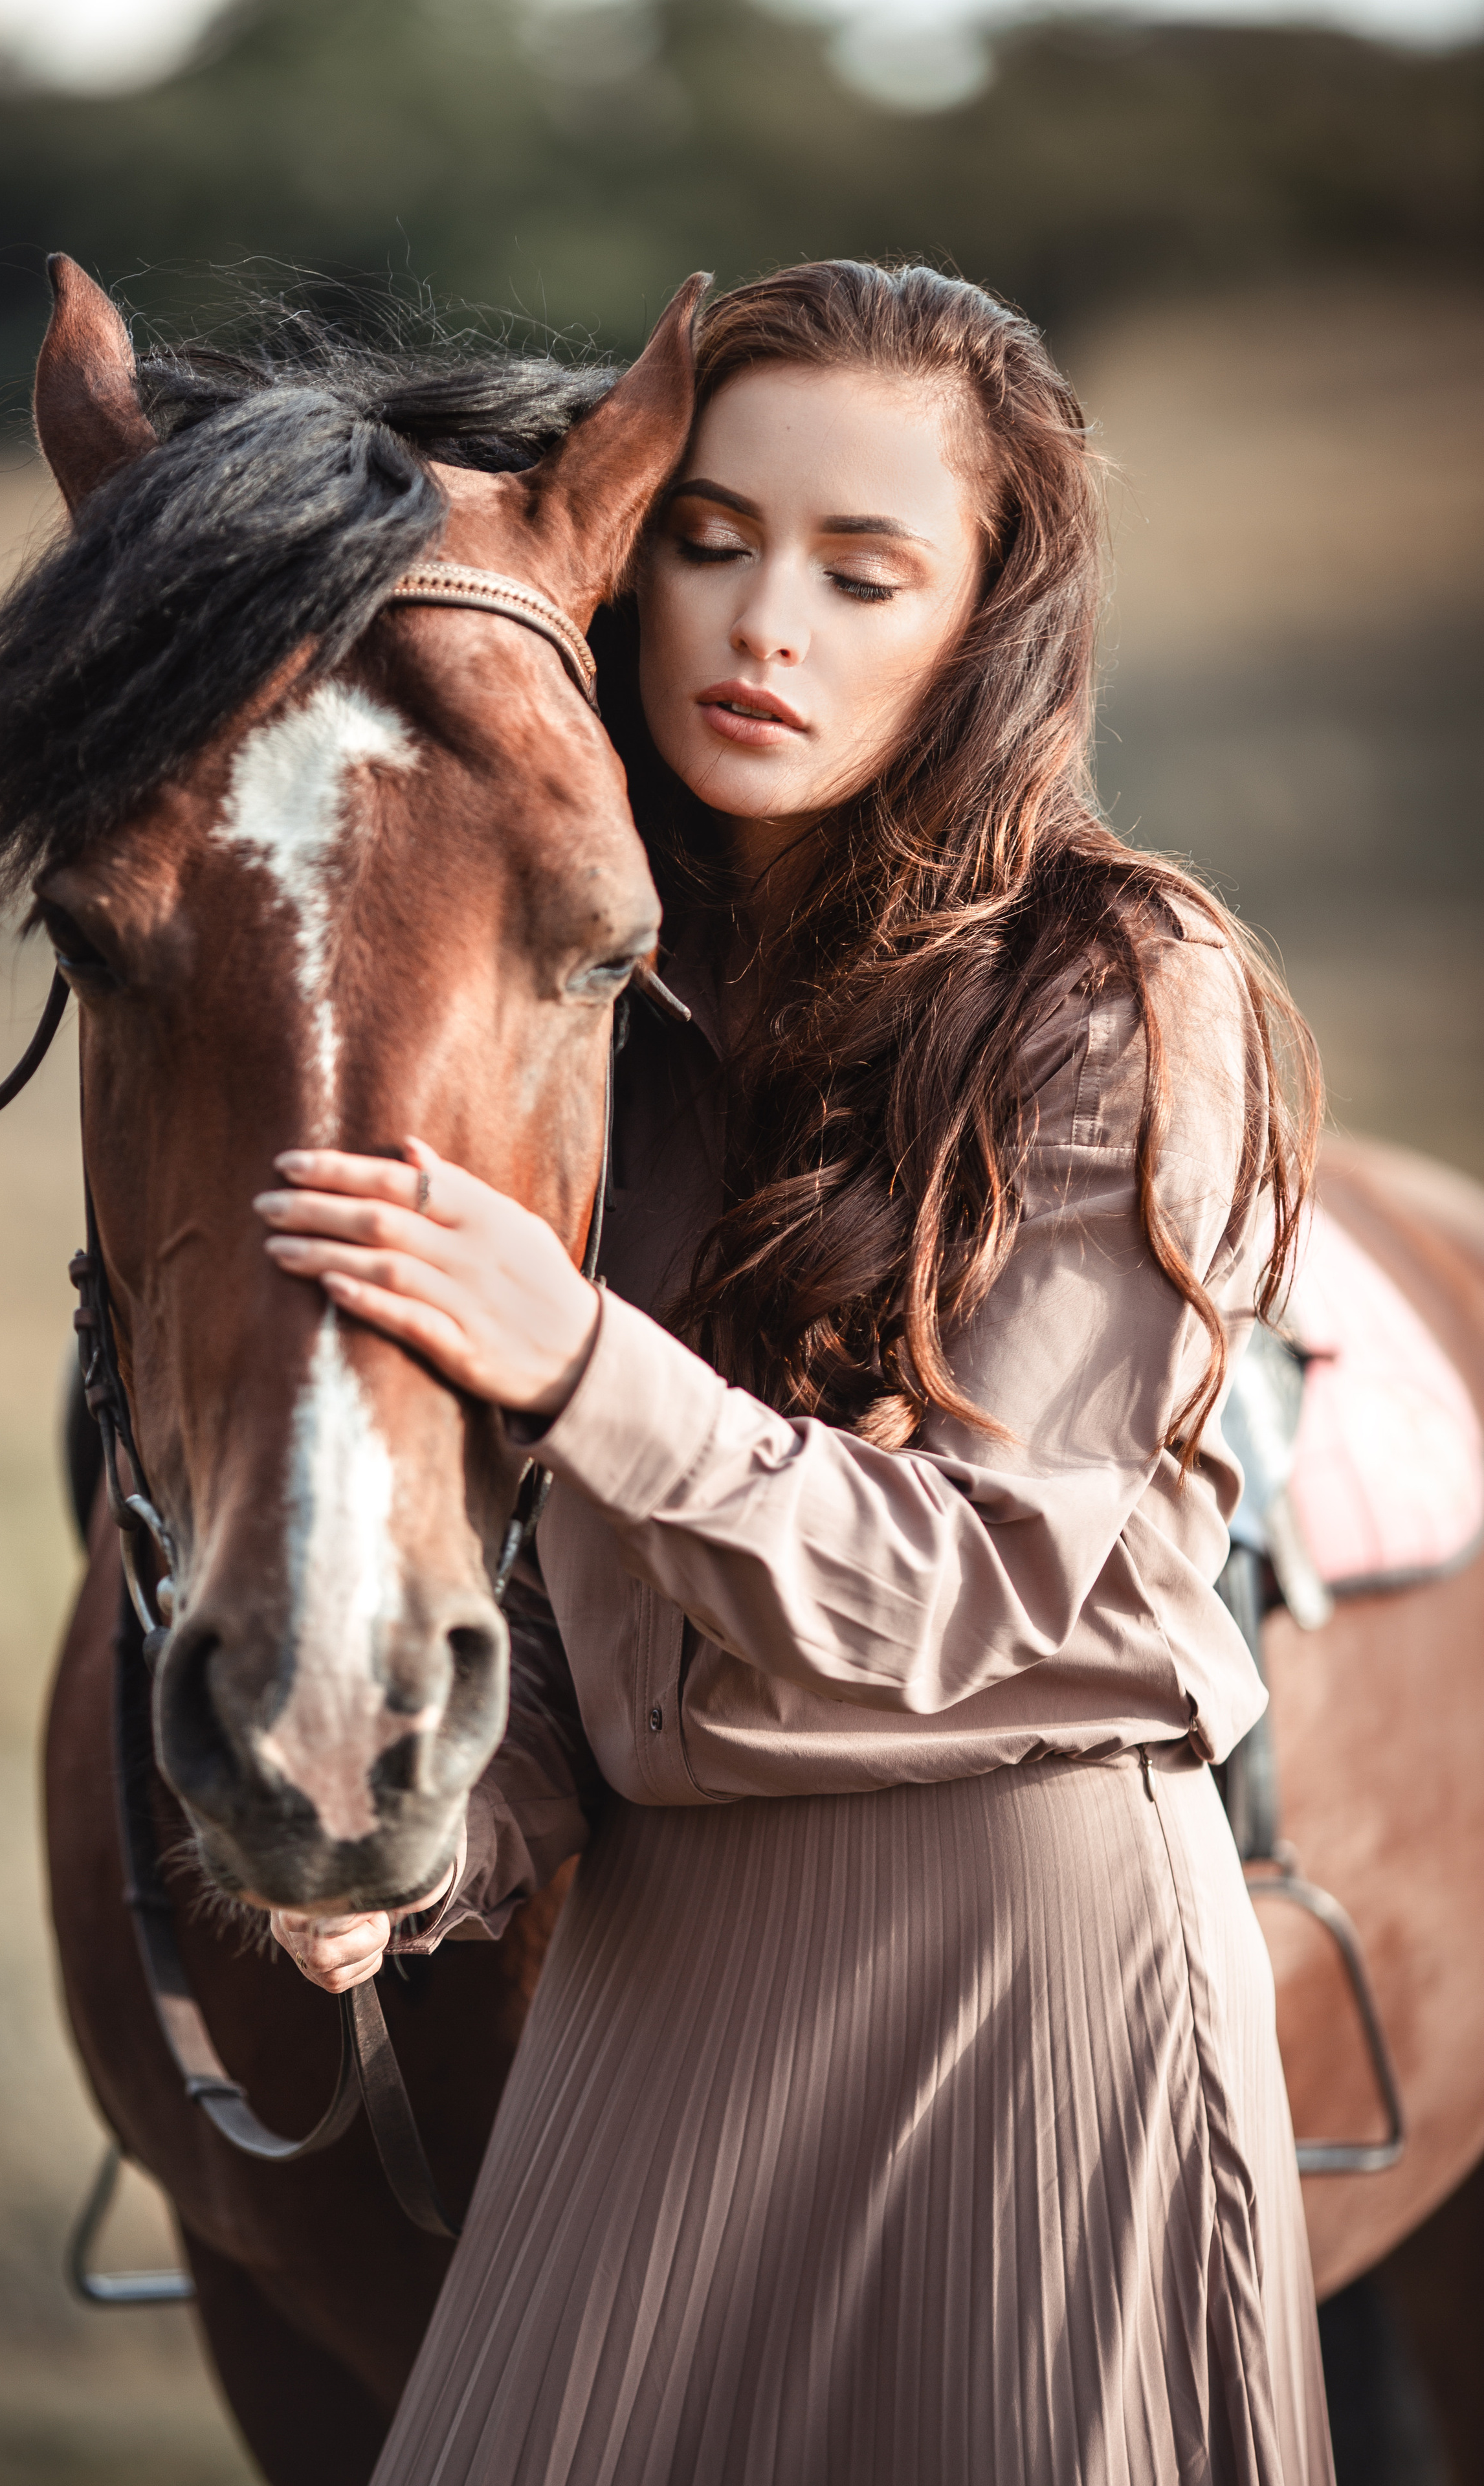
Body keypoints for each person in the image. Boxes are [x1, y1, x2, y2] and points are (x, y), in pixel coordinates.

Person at [252, 261, 1333, 2483]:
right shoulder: (604, 1018)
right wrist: (422, 1846)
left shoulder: (1116, 991)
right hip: (647, 2007)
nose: (767, 626)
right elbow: (582, 1620)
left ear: (982, 621)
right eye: (714, 541)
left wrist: (578, 1357)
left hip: (1017, 1992)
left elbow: (1001, 1588)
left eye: (865, 572)